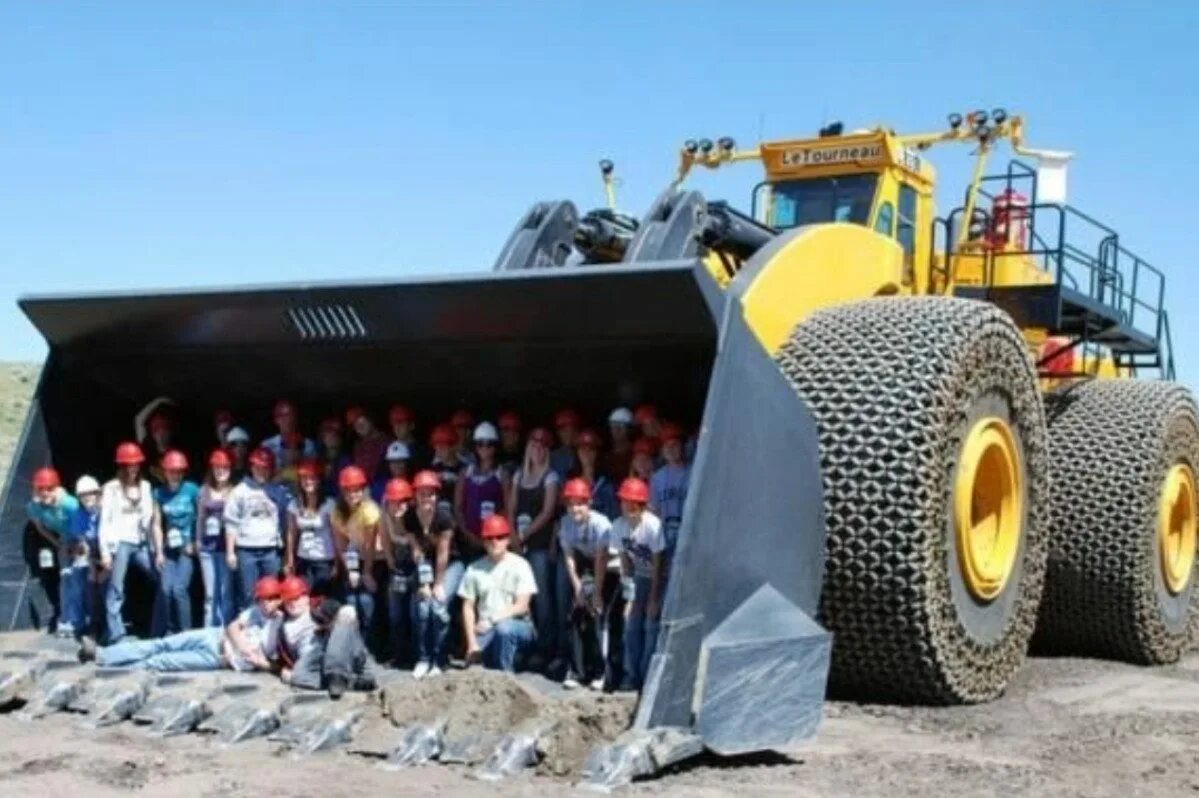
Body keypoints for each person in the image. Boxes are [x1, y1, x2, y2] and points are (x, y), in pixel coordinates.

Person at [77, 576, 283, 672]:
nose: (267, 603)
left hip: (219, 659)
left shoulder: (281, 625)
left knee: (159, 662)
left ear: (280, 598)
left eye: (272, 598)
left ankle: (113, 668)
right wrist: (242, 647)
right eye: (262, 598)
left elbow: (274, 664)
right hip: (215, 636)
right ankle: (101, 655)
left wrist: (251, 659)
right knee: (160, 644)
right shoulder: (255, 610)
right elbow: (232, 626)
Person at [507, 427, 560, 670]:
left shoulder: (550, 477)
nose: (537, 450)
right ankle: (522, 647)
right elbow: (511, 506)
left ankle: (546, 648)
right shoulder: (519, 475)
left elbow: (548, 511)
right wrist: (512, 535)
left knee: (542, 599)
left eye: (542, 447)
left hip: (538, 544)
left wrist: (526, 534)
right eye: (534, 445)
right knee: (518, 596)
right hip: (518, 544)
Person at [556, 478, 616, 690]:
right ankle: (577, 670)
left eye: (580, 503)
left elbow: (602, 558)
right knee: (577, 612)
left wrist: (596, 593)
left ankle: (602, 672)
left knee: (598, 614)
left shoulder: (601, 524)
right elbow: (569, 557)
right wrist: (578, 589)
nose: (575, 508)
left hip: (609, 569)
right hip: (585, 568)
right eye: (571, 504)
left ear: (589, 503)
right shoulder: (565, 523)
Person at [99, 443, 162, 643]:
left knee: (161, 578)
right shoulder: (111, 488)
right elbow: (105, 521)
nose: (132, 468)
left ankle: (159, 626)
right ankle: (115, 633)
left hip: (141, 542)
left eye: (135, 464)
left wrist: (155, 548)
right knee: (116, 588)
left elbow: (150, 520)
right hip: (120, 542)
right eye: (128, 464)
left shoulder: (146, 487)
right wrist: (105, 552)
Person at [403, 470, 464, 678]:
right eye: (422, 493)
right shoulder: (410, 517)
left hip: (451, 564)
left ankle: (440, 658)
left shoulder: (444, 516)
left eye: (430, 494)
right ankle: (423, 658)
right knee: (421, 607)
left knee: (438, 607)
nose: (426, 498)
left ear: (436, 495)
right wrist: (423, 583)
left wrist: (437, 584)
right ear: (415, 495)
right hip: (425, 565)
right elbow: (417, 551)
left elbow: (443, 553)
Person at [459, 515, 537, 672]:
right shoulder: (474, 569)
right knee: (473, 665)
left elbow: (522, 606)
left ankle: (506, 676)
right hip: (486, 630)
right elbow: (467, 607)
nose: (495, 541)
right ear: (483, 541)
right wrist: (472, 643)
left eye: (500, 537)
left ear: (508, 539)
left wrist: (492, 619)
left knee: (504, 629)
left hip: (519, 626)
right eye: (489, 537)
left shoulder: (521, 565)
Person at [611, 477, 665, 691]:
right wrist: (629, 597)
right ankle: (631, 675)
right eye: (626, 502)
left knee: (650, 625)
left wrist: (653, 599)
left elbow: (659, 565)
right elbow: (625, 563)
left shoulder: (653, 526)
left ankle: (647, 676)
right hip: (637, 577)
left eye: (635, 503)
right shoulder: (618, 526)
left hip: (659, 577)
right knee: (631, 625)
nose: (630, 508)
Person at [278, 584, 376, 699]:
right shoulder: (281, 625)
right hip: (317, 658)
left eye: (296, 598)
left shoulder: (320, 606)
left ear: (306, 597)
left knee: (343, 622)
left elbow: (349, 613)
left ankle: (338, 677)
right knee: (295, 676)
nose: (292, 603)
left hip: (342, 648)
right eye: (288, 600)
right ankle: (351, 682)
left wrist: (329, 626)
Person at [224, 447, 291, 614]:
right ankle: (248, 630)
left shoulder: (279, 491)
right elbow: (231, 522)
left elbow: (286, 521)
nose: (262, 471)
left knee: (272, 593)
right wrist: (230, 552)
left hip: (271, 550)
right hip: (246, 549)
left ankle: (270, 631)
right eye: (258, 467)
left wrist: (285, 553)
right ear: (251, 467)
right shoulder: (239, 491)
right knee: (249, 594)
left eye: (266, 468)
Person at [329, 465, 383, 646]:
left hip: (373, 558)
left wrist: (366, 572)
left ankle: (370, 645)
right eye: (348, 490)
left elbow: (369, 546)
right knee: (351, 599)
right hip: (352, 558)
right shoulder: (337, 512)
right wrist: (351, 570)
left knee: (367, 601)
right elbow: (340, 544)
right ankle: (353, 644)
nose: (353, 495)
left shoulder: (370, 510)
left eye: (357, 490)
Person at [26, 467, 79, 635]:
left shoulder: (69, 504)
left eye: (49, 489)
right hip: (64, 540)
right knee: (65, 576)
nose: (45, 493)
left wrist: (79, 547)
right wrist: (58, 544)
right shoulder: (34, 507)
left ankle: (84, 616)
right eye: (41, 489)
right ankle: (66, 619)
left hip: (82, 538)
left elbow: (85, 525)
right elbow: (41, 528)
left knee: (79, 576)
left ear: (57, 488)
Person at [153, 450, 200, 634]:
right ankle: (169, 631)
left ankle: (185, 632)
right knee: (165, 589)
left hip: (187, 546)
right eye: (171, 471)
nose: (175, 474)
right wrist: (158, 551)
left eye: (179, 471)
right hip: (169, 548)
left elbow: (201, 517)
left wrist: (196, 542)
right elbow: (156, 524)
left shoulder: (192, 489)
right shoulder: (158, 493)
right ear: (164, 472)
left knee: (179, 589)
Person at [454, 422, 508, 564]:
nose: (484, 448)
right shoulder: (465, 473)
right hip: (467, 541)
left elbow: (508, 507)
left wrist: (493, 535)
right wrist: (467, 534)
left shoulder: (502, 474)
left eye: (489, 444)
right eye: (480, 444)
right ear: (475, 446)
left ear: (495, 446)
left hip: (493, 541)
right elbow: (458, 507)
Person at [377, 478, 415, 667]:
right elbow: (385, 543)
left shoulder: (415, 517)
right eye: (394, 501)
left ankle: (417, 654)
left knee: (415, 612)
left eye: (403, 501)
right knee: (395, 613)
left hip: (417, 568)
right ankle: (399, 655)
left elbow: (420, 551)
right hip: (397, 567)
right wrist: (393, 566)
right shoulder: (384, 517)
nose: (399, 505)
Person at [196, 449, 236, 627]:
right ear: (212, 469)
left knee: (225, 593)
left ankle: (226, 633)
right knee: (211, 594)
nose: (221, 472)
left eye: (225, 468)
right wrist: (198, 541)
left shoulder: (235, 491)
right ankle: (208, 632)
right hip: (207, 548)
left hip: (225, 548)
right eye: (217, 468)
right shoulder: (204, 490)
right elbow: (200, 518)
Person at [650, 423, 691, 588]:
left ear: (682, 447)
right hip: (666, 536)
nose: (671, 449)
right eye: (667, 446)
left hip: (689, 535)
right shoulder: (657, 477)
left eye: (675, 445)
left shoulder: (695, 471)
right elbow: (654, 511)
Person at [287, 460, 338, 593]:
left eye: (312, 478)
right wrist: (290, 560)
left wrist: (337, 564)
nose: (308, 481)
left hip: (324, 560)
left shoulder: (329, 504)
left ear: (319, 480)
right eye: (304, 478)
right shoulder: (294, 504)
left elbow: (336, 536)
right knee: (303, 595)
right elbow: (291, 534)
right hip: (303, 559)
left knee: (321, 598)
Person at [70, 475, 104, 639]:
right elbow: (82, 542)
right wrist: (91, 565)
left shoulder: (106, 510)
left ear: (98, 494)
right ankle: (93, 625)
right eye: (83, 495)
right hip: (93, 554)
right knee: (88, 584)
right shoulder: (78, 515)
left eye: (91, 493)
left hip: (112, 554)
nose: (88, 498)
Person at [570, 429, 618, 520]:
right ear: (577, 453)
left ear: (597, 453)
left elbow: (613, 515)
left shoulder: (607, 483)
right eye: (583, 449)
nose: (587, 453)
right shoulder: (570, 480)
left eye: (591, 449)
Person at [428, 423, 465, 514]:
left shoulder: (465, 469)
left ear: (454, 446)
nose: (439, 449)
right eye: (436, 445)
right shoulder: (432, 469)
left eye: (443, 445)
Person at [349, 407, 389, 483]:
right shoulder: (357, 446)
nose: (359, 426)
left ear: (370, 420)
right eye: (355, 424)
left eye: (361, 422)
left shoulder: (387, 442)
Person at [317, 416, 352, 497]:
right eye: (327, 434)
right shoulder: (318, 458)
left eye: (335, 435)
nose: (331, 438)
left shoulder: (345, 460)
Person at [140, 411, 177, 485]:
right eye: (156, 430)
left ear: (170, 432)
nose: (161, 435)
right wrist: (160, 400)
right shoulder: (147, 452)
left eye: (164, 430)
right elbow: (139, 420)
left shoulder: (176, 454)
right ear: (152, 434)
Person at [388, 404, 427, 469]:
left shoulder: (421, 451)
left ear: (411, 425)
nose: (397, 427)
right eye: (394, 423)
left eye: (401, 423)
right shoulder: (389, 448)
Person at [606, 407, 635, 482]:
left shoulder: (636, 455)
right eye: (613, 425)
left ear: (630, 429)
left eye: (622, 426)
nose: (617, 429)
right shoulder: (606, 457)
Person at [550, 408, 580, 478]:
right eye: (564, 431)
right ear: (558, 433)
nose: (568, 435)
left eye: (571, 430)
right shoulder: (552, 457)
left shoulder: (586, 453)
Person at [497, 411, 523, 476]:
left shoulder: (527, 457)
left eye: (515, 429)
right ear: (499, 433)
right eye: (506, 429)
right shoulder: (492, 456)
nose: (511, 433)